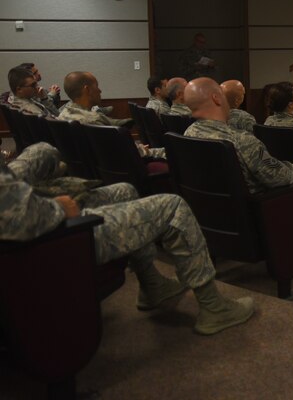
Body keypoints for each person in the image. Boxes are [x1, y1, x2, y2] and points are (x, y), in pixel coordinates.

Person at [0, 142, 254, 335]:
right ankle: (214, 307)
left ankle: (151, 284)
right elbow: (17, 217)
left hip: (26, 219)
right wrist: (58, 207)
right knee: (173, 206)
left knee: (125, 190)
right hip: (51, 240)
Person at [183, 77, 293, 256]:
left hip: (222, 211)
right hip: (266, 206)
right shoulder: (241, 141)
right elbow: (285, 181)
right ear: (217, 99)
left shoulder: (189, 134)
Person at [58, 71, 164, 159]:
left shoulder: (62, 115)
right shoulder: (92, 121)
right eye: (97, 86)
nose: (100, 90)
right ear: (87, 90)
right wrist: (144, 150)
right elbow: (122, 152)